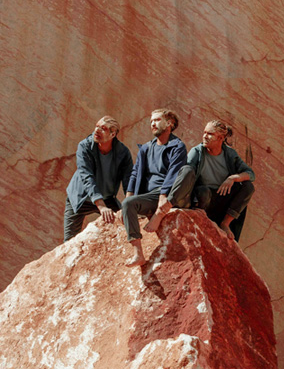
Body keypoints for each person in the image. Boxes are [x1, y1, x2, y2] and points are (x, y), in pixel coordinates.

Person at [120, 108, 189, 267]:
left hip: (165, 196)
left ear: (170, 123)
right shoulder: (146, 148)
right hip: (147, 196)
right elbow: (135, 173)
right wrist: (129, 196)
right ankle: (138, 253)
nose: (153, 124)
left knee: (187, 171)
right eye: (151, 121)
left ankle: (158, 214)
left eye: (157, 120)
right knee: (128, 204)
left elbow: (173, 174)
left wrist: (163, 197)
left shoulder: (177, 146)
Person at [167, 120, 255, 240]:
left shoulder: (229, 154)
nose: (204, 136)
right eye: (204, 132)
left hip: (222, 198)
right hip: (203, 198)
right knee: (203, 191)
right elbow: (186, 174)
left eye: (210, 134)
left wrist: (233, 178)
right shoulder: (197, 152)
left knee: (248, 187)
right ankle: (200, 222)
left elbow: (251, 174)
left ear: (220, 138)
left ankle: (225, 223)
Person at [62, 116, 135, 242]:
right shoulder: (84, 146)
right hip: (80, 198)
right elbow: (86, 176)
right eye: (96, 126)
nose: (97, 130)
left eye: (103, 129)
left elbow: (129, 179)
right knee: (68, 242)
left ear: (113, 134)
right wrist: (100, 205)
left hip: (107, 198)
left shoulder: (122, 152)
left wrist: (128, 204)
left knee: (125, 224)